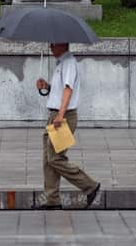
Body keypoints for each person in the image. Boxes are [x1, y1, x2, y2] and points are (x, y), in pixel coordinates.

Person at [35, 42, 101, 210]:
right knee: (47, 160)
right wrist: (47, 87)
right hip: (54, 115)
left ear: (62, 45)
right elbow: (59, 91)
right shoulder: (61, 64)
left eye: (53, 44)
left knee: (55, 158)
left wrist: (60, 115)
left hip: (63, 116)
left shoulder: (69, 63)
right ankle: (52, 200)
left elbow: (68, 90)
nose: (50, 47)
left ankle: (90, 186)